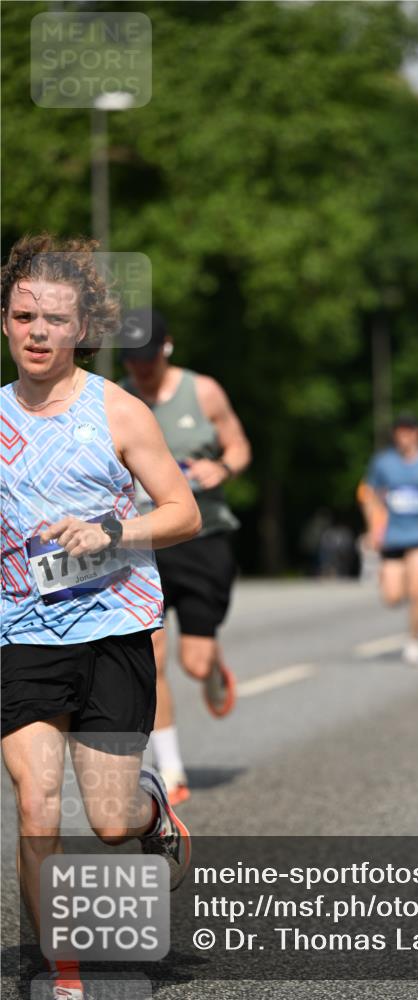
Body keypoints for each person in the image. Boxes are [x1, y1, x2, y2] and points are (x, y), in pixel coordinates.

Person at [1, 235, 202, 1000]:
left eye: (54, 319)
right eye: (24, 316)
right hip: (20, 630)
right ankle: (60, 972)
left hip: (114, 627)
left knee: (110, 821)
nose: (38, 332)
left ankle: (152, 818)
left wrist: (112, 533)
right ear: (6, 321)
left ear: (82, 326)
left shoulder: (119, 411)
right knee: (34, 800)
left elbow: (182, 513)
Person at [120, 308, 251, 805]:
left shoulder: (205, 391)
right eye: (132, 361)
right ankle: (171, 771)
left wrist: (222, 468)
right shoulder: (116, 397)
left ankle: (213, 665)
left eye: (148, 359)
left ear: (167, 348)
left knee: (193, 664)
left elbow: (239, 446)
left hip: (203, 538)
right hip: (146, 542)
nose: (141, 370)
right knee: (150, 656)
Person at [360, 414, 418, 664]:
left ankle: (414, 641)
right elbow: (369, 494)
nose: (404, 436)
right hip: (392, 538)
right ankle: (395, 587)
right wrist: (373, 528)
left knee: (417, 589)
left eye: (409, 431)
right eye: (400, 431)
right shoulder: (383, 462)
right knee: (392, 597)